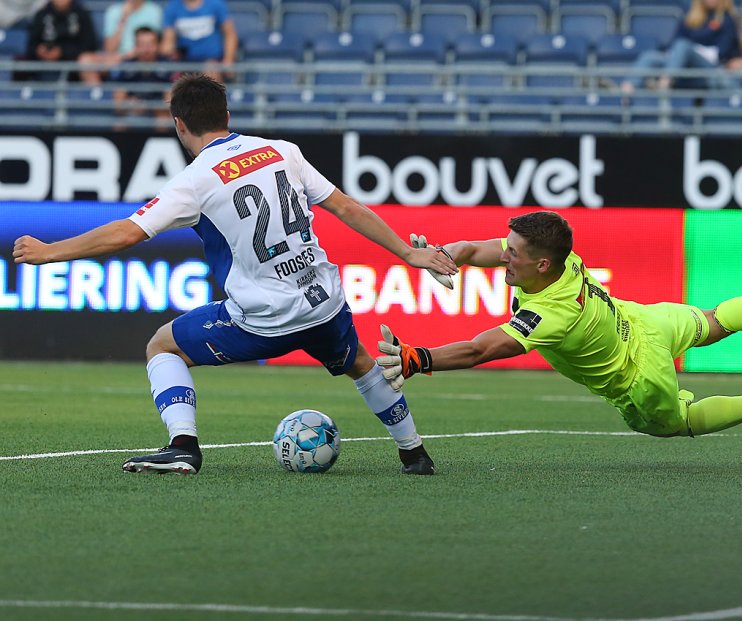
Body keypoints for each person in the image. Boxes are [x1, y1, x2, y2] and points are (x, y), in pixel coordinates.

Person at [12, 73, 458, 476]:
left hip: (263, 318)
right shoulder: (283, 151)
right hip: (324, 302)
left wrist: (51, 252)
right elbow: (346, 206)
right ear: (226, 116)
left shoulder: (195, 180)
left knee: (162, 346)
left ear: (179, 125)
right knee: (360, 362)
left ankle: (183, 445)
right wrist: (406, 252)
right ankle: (414, 454)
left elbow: (127, 233)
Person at [375, 211, 742, 440]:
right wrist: (444, 255)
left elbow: (479, 350)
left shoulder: (550, 312)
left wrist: (419, 359)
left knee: (679, 425)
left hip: (638, 377)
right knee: (713, 322)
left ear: (541, 266)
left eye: (514, 253)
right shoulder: (557, 258)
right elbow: (476, 250)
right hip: (643, 320)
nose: (503, 256)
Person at [622, 0, 740, 92]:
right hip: (681, 63)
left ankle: (664, 84)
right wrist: (680, 55)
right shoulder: (690, 17)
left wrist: (691, 50)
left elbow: (719, 53)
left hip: (708, 67)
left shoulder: (727, 20)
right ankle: (626, 89)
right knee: (650, 56)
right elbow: (674, 42)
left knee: (683, 46)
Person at [79, 0, 164, 85]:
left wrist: (126, 56)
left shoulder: (154, 11)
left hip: (141, 56)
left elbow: (154, 45)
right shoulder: (113, 11)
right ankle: (98, 95)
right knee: (86, 60)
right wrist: (123, 18)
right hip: (116, 58)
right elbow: (109, 49)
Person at [110, 27, 173, 128]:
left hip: (159, 112)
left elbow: (171, 102)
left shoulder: (167, 65)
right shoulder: (126, 66)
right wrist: (130, 104)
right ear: (136, 47)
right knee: (119, 124)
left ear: (157, 46)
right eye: (142, 45)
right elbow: (118, 104)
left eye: (150, 44)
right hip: (133, 112)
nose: (146, 49)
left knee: (163, 121)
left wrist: (151, 106)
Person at [24, 0, 99, 81]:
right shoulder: (41, 14)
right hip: (44, 67)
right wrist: (39, 51)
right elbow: (31, 45)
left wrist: (62, 52)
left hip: (75, 68)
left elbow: (90, 45)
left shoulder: (81, 14)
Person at [161, 0, 236, 77]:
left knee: (210, 73)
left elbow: (230, 34)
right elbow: (168, 40)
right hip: (184, 62)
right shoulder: (173, 7)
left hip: (211, 61)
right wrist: (170, 53)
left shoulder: (215, 4)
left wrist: (228, 60)